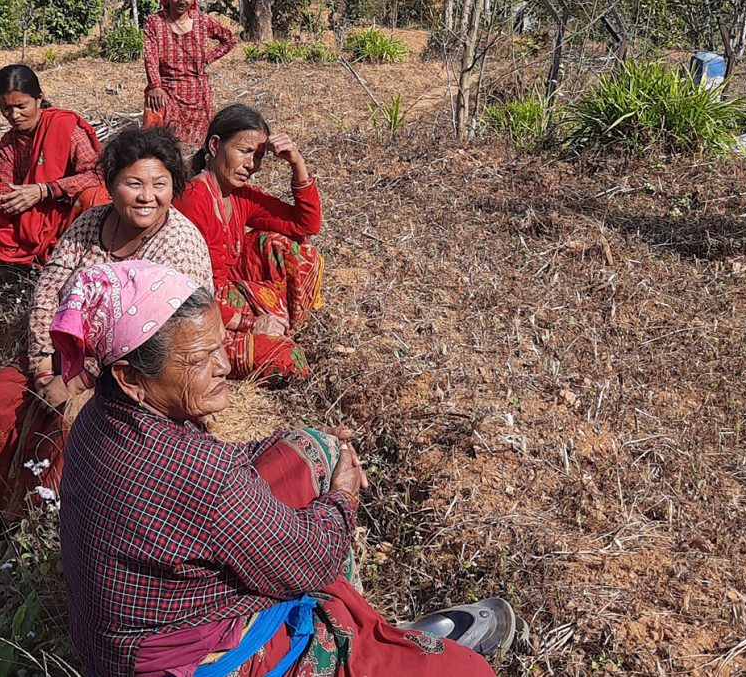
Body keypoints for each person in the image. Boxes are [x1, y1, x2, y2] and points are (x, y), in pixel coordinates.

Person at [54, 260, 501, 677]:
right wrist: (343, 497)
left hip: (119, 648)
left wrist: (309, 448)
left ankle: (358, 621)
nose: (225, 366)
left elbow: (215, 479)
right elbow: (310, 560)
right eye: (199, 360)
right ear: (132, 377)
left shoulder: (95, 420)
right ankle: (354, 633)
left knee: (311, 450)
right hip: (190, 661)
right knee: (467, 671)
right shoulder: (200, 474)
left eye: (220, 347)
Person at [0, 126, 212, 540]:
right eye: (134, 183)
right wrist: (41, 359)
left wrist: (78, 380)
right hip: (60, 352)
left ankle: (38, 535)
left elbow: (150, 336)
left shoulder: (178, 244)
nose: (147, 196)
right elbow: (50, 286)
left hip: (140, 376)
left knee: (72, 427)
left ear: (174, 186)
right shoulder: (93, 222)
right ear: (110, 185)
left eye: (160, 184)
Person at [174, 104, 323, 381]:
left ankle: (275, 324)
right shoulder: (194, 198)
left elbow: (305, 224)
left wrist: (296, 162)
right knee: (289, 359)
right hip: (197, 312)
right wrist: (251, 324)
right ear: (215, 146)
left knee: (294, 251)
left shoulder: (239, 196)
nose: (251, 165)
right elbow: (187, 292)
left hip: (226, 296)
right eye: (244, 152)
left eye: (258, 156)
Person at [0, 64, 110, 266]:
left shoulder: (63, 127)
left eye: (21, 107)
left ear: (39, 99)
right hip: (34, 219)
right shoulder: (7, 146)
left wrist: (44, 190)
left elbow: (97, 174)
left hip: (73, 211)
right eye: (6, 108)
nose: (14, 116)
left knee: (96, 196)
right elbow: (3, 187)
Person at [143, 0, 238, 146]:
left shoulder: (202, 20)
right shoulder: (154, 22)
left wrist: (206, 58)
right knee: (159, 142)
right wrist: (155, 86)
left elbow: (229, 40)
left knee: (199, 144)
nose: (182, 1)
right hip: (167, 88)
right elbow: (150, 57)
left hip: (197, 91)